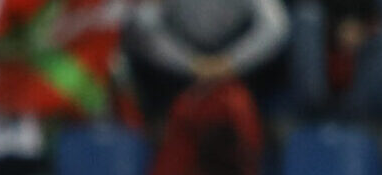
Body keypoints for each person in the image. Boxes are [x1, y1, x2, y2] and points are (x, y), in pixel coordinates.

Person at [125, 0, 291, 115]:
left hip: (239, 68)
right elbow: (143, 26)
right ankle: (160, 123)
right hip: (179, 69)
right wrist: (189, 64)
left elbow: (275, 26)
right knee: (134, 35)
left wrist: (231, 63)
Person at [290, 0, 382, 120]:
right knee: (307, 17)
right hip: (319, 46)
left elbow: (375, 16)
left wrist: (361, 31)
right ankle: (313, 111)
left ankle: (351, 114)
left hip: (357, 50)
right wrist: (336, 30)